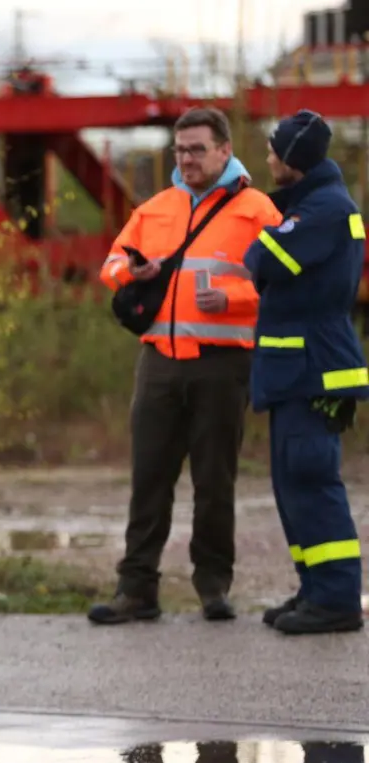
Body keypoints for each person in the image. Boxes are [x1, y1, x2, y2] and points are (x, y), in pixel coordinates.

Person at [92, 107, 283, 625]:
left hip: (223, 365)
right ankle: (136, 589)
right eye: (180, 150)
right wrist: (128, 272)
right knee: (148, 478)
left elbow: (285, 288)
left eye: (198, 149)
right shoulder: (155, 209)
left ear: (224, 150)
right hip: (158, 364)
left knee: (213, 482)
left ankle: (213, 587)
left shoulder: (257, 211)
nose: (188, 159)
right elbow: (109, 265)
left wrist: (236, 300)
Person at [247, 110, 369, 635]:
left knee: (311, 481)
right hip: (295, 370)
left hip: (312, 368)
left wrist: (271, 228)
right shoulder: (312, 204)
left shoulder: (323, 210)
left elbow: (265, 259)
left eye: (275, 151)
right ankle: (315, 588)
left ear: (294, 159)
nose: (269, 157)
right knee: (291, 484)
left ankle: (338, 598)